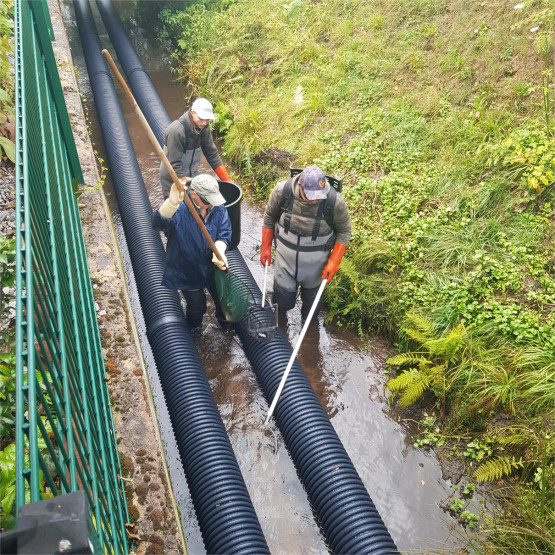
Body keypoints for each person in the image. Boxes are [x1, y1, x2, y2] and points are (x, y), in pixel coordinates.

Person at [260, 165, 351, 323]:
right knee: (281, 304)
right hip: (285, 262)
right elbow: (269, 217)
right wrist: (265, 247)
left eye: (318, 196)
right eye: (310, 196)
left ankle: (308, 329)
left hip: (316, 267)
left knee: (311, 312)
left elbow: (344, 231)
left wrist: (334, 262)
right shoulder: (282, 191)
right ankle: (280, 329)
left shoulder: (334, 201)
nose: (314, 200)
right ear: (300, 186)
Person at [153, 174, 231, 336]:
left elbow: (224, 232)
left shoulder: (217, 206)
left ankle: (225, 326)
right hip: (187, 268)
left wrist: (220, 251)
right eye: (208, 201)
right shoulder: (180, 209)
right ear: (194, 194)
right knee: (197, 306)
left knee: (224, 299)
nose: (211, 204)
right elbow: (158, 224)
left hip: (212, 266)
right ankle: (194, 331)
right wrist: (171, 204)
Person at [160, 98, 231, 199]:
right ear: (192, 113)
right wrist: (183, 186)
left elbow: (212, 153)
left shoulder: (204, 127)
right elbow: (175, 164)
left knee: (198, 202)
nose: (204, 122)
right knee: (176, 204)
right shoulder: (176, 131)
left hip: (192, 173)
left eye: (207, 119)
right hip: (173, 175)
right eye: (201, 118)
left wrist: (228, 181)